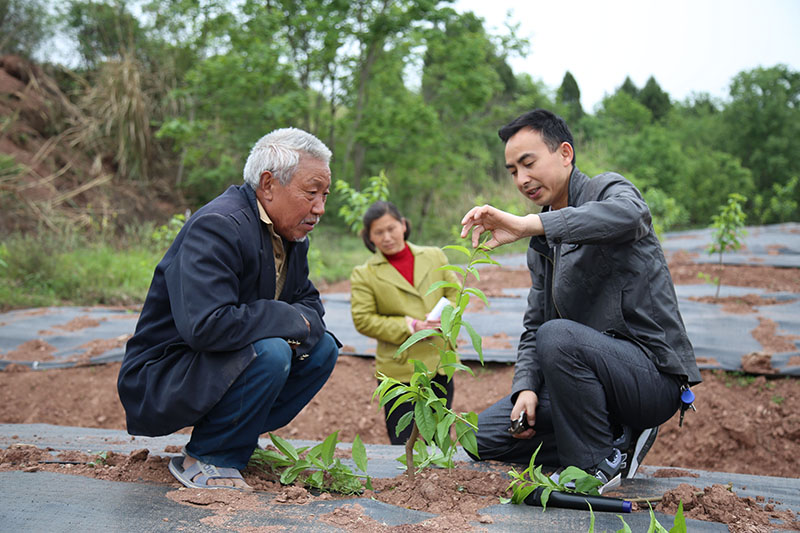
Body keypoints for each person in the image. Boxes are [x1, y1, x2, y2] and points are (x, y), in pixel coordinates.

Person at [460, 109, 701, 490]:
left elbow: (631, 215)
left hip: (648, 377)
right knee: (479, 436)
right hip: (585, 380)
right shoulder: (541, 244)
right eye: (512, 171)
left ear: (565, 153)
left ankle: (594, 465)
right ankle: (612, 439)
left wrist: (529, 225)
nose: (522, 180)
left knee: (558, 336)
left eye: (528, 163)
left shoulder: (607, 191)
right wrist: (525, 387)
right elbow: (534, 325)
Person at [118, 128, 340, 490]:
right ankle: (208, 457)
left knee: (323, 348)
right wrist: (291, 320)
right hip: (165, 373)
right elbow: (207, 325)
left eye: (324, 195)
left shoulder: (290, 235)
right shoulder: (218, 226)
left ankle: (234, 436)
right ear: (268, 185)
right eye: (311, 193)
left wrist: (298, 322)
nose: (320, 208)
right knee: (270, 350)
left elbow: (310, 304)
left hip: (213, 363)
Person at [350, 201, 460, 444]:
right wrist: (410, 326)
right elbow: (363, 319)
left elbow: (456, 293)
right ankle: (409, 483)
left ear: (403, 225)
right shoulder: (365, 273)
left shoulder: (434, 256)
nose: (387, 237)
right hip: (399, 371)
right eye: (379, 232)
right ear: (369, 237)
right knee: (403, 440)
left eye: (391, 228)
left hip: (439, 362)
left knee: (440, 437)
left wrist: (444, 317)